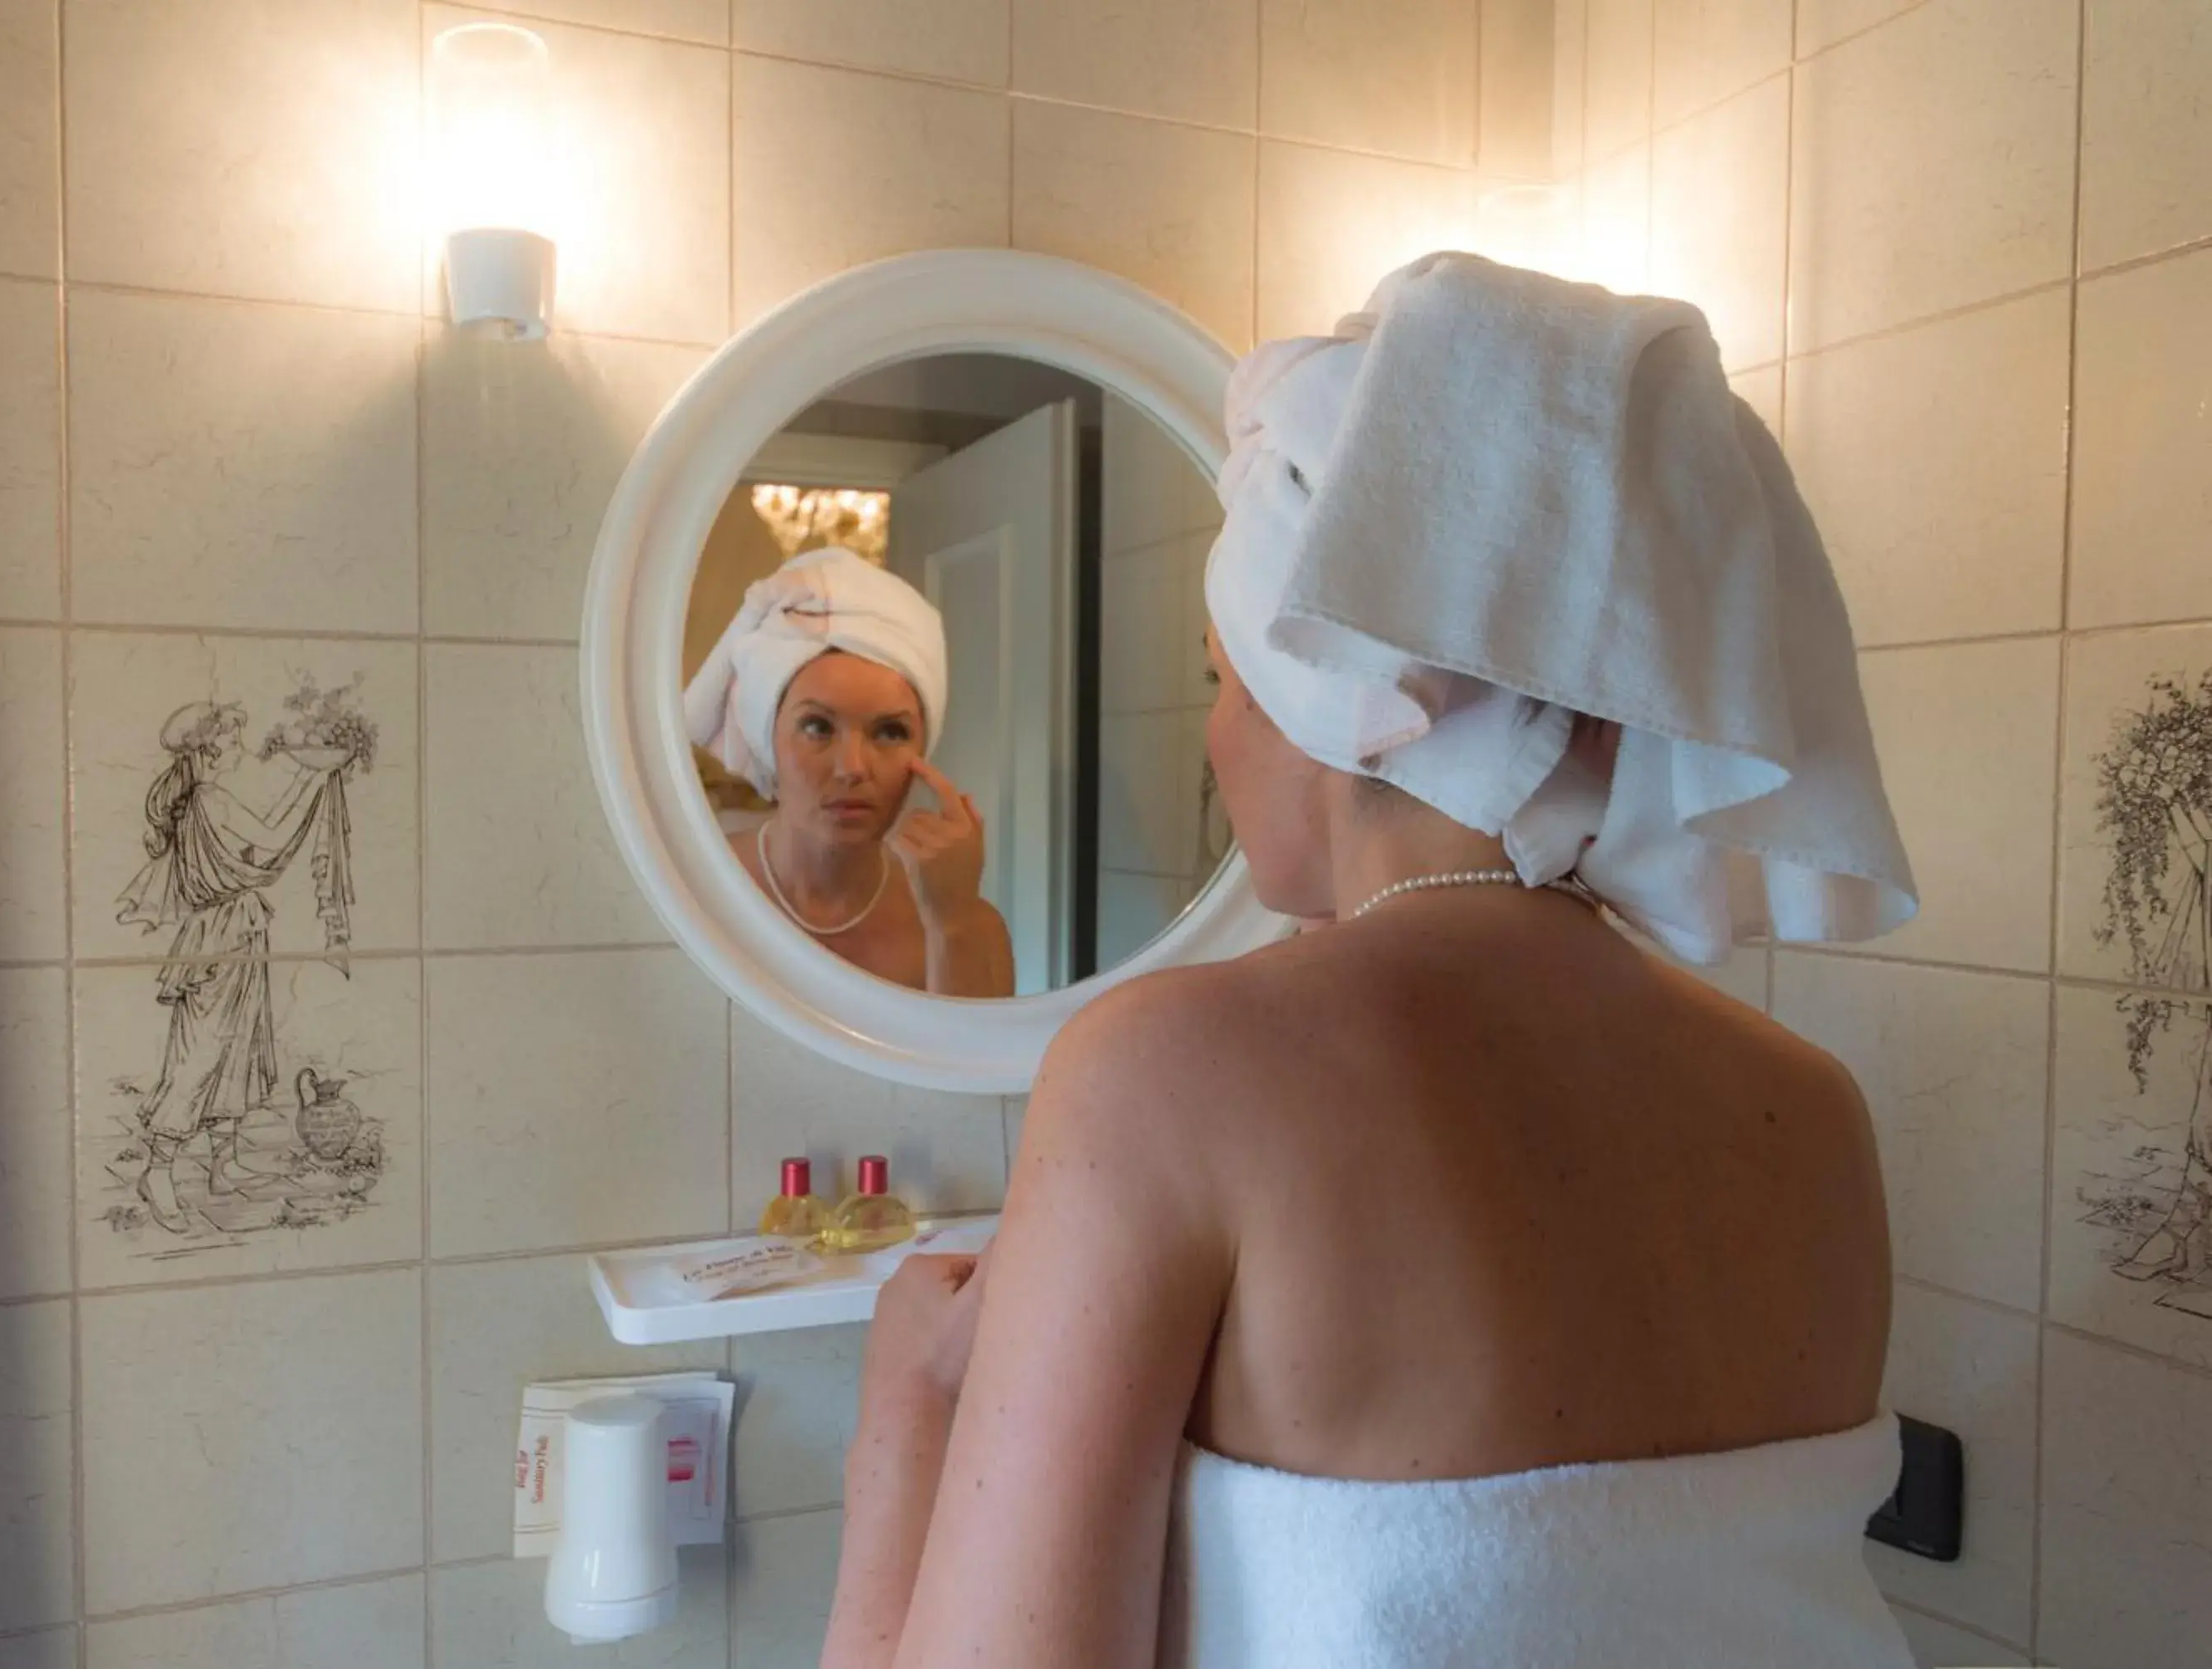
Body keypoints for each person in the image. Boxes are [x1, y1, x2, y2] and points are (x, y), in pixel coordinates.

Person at [820, 255, 1923, 1668]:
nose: (1218, 738)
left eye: (1223, 679)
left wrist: (904, 1415)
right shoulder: (1814, 1111)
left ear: (1330, 699)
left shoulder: (1172, 1072)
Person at [686, 545, 1014, 998]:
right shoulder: (692, 887)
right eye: (817, 727)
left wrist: (952, 921)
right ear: (768, 741)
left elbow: (978, 1064)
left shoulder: (967, 925)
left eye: (891, 732)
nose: (853, 769)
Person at [116, 701, 352, 1232]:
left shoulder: (206, 799)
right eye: (232, 737)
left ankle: (223, 1164)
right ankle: (158, 1171)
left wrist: (310, 780)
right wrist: (312, 782)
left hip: (239, 932)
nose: (241, 747)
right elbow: (269, 847)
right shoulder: (208, 799)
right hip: (219, 938)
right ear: (210, 747)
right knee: (200, 1056)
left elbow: (266, 837)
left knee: (241, 1044)